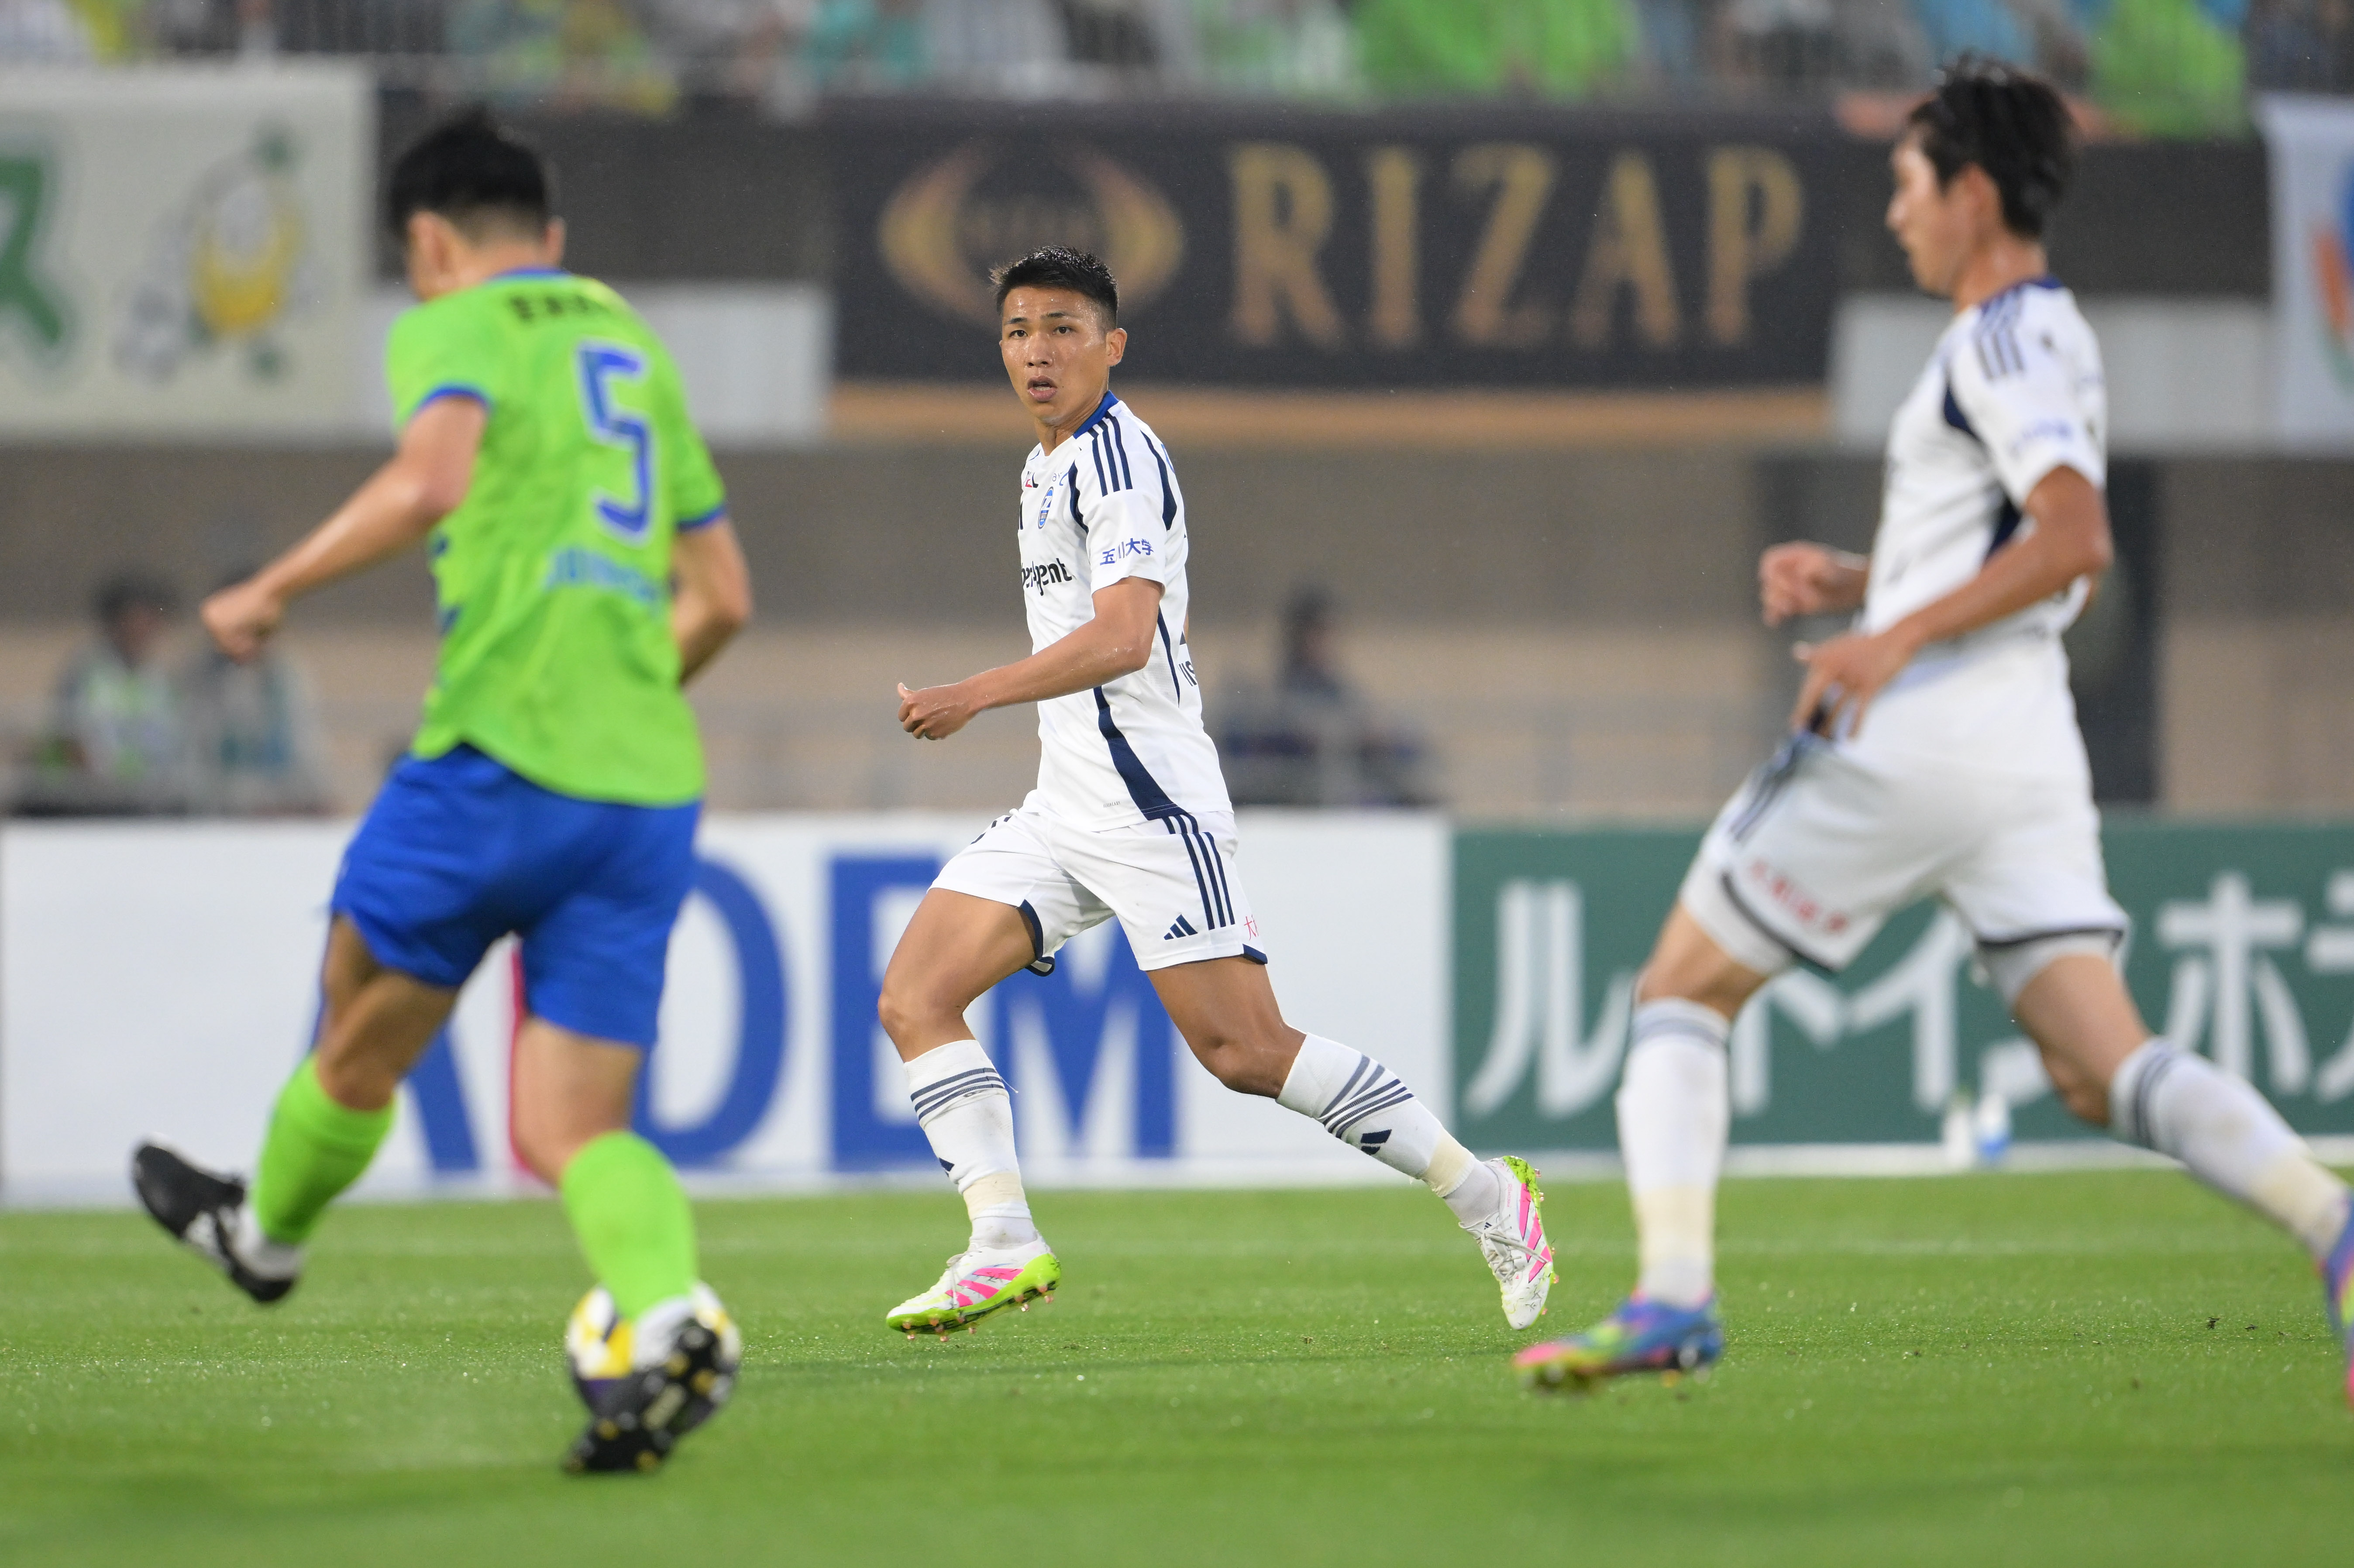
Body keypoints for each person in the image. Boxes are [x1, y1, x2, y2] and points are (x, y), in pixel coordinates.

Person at [1513, 60, 2354, 1403]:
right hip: (2023, 744)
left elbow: (2077, 539)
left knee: (1681, 991)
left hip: (1922, 735)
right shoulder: (2049, 338)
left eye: (1909, 184)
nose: (1897, 211)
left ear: (1973, 193)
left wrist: (1889, 639)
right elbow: (2040, 561)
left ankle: (1672, 1296)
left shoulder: (1997, 343)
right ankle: (2335, 1225)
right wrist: (1868, 584)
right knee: (2100, 1067)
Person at [128, 109, 755, 1472]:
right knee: (571, 1129)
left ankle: (266, 1237)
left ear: (427, 242)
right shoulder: (633, 348)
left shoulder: (458, 322)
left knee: (357, 1007)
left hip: (491, 762)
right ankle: (670, 1316)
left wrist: (267, 590)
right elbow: (722, 600)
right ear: (554, 236)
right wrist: (615, 703)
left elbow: (430, 482)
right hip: (644, 788)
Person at [881, 246, 1552, 1339]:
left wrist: (975, 693)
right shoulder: (1044, 467)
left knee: (1247, 1052)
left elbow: (1122, 636)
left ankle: (1488, 1197)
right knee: (915, 996)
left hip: (1150, 806)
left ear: (1112, 346)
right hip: (1066, 805)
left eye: (1062, 329)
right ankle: (1000, 1238)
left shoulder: (1118, 458)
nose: (1036, 352)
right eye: (1016, 332)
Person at [21, 572, 194, 816]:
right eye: (135, 618)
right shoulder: (87, 672)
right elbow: (72, 740)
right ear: (115, 622)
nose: (143, 628)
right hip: (87, 802)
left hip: (144, 803)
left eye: (150, 618)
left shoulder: (161, 680)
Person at [180, 568, 334, 816]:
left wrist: (316, 798)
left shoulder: (286, 675)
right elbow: (192, 762)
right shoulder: (198, 677)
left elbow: (306, 749)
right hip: (216, 816)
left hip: (279, 812)